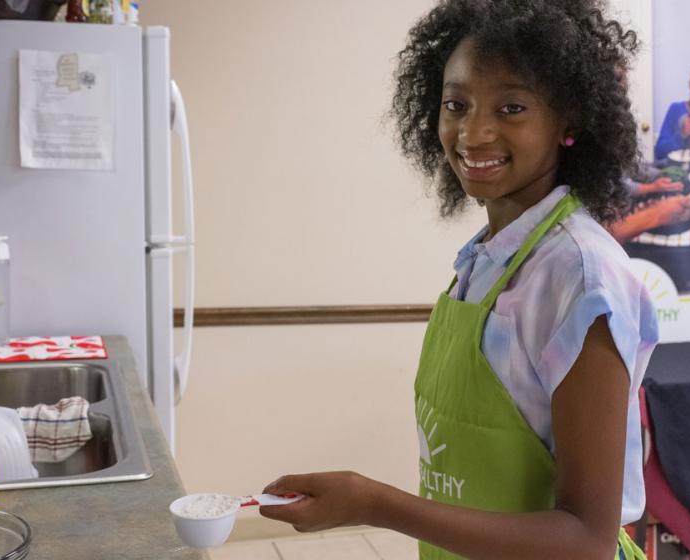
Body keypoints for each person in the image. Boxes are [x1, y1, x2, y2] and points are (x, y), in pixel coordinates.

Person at [259, 1, 658, 558]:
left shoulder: (580, 277)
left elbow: (585, 541)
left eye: (511, 107)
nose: (473, 132)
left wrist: (374, 503)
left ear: (568, 120)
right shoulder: (484, 263)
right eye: (457, 104)